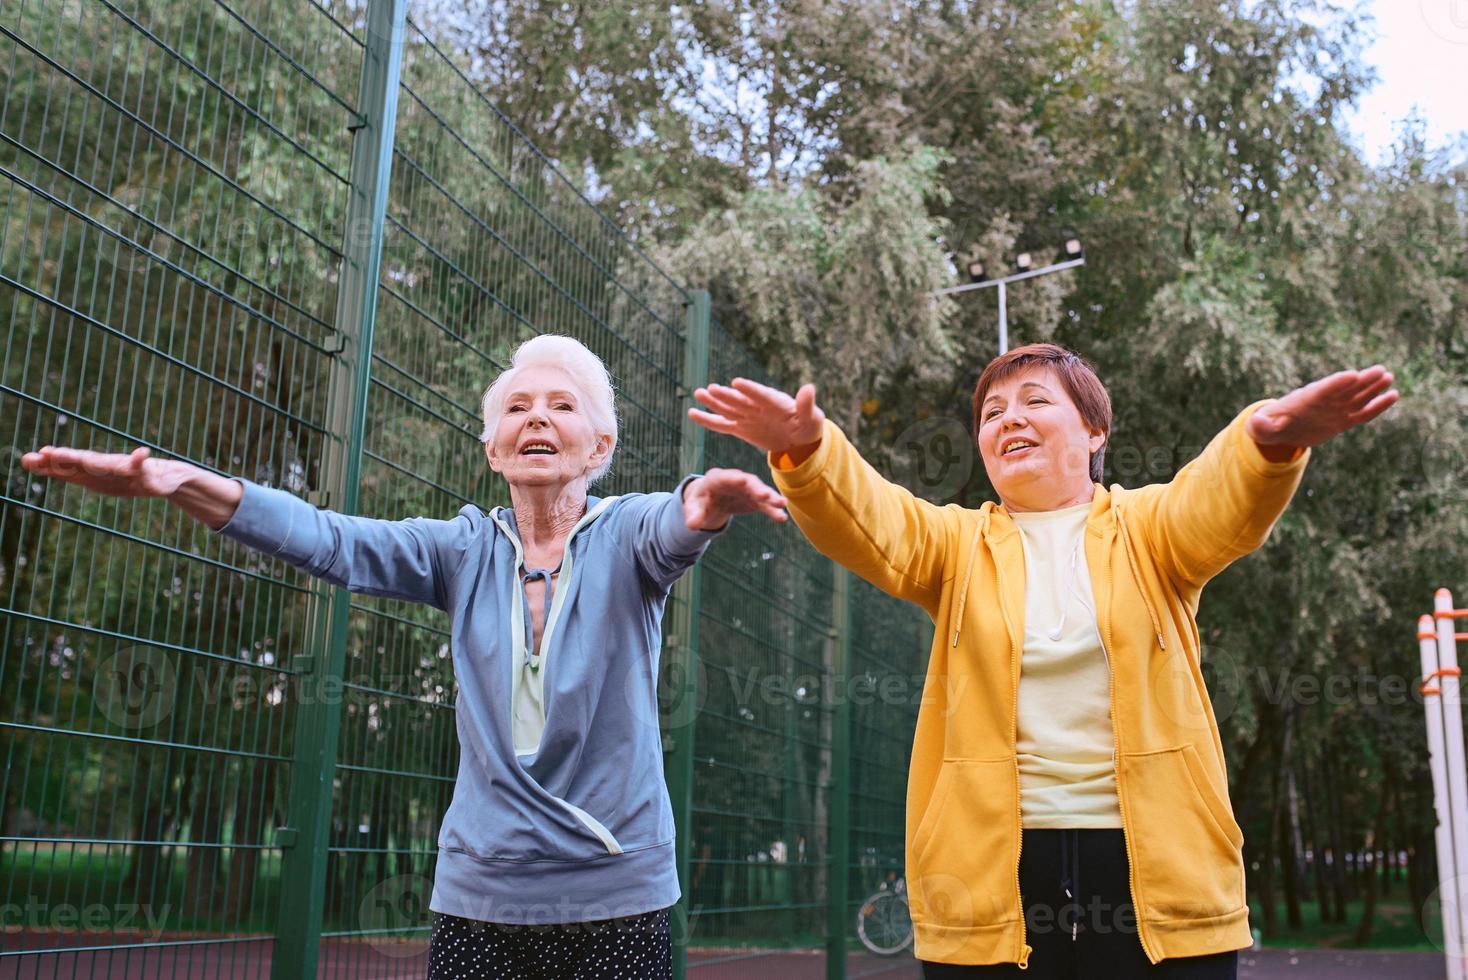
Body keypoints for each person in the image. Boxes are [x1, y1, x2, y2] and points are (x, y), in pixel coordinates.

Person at [21, 334, 790, 980]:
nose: (538, 419)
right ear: (492, 449)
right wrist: (179, 481)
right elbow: (329, 539)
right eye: (517, 408)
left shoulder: (628, 534)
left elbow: (675, 526)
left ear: (601, 445)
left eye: (562, 406)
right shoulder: (458, 550)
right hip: (477, 900)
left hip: (617, 898)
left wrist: (707, 502)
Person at [689, 343, 1397, 979]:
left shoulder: (1151, 530)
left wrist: (1266, 441)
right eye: (992, 411)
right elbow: (875, 522)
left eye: (1035, 401)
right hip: (991, 873)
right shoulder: (956, 545)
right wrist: (809, 452)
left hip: (1157, 868)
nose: (1009, 418)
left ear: (1095, 432)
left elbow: (1213, 504)